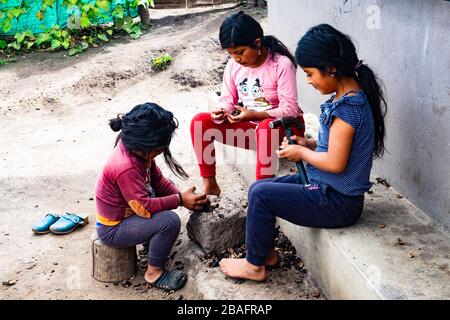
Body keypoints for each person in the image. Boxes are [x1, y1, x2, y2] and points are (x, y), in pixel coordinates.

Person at [219, 24, 387, 281]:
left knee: (263, 194)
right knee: (257, 189)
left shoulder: (349, 110)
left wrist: (302, 154)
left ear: (331, 68)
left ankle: (254, 265)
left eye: (310, 74)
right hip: (323, 186)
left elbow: (335, 163)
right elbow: (337, 149)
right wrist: (308, 145)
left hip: (337, 202)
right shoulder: (347, 98)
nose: (308, 81)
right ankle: (265, 254)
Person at [95, 102, 208, 291]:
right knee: (169, 221)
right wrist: (179, 201)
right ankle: (154, 273)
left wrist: (182, 196)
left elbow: (158, 181)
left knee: (155, 193)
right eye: (161, 147)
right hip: (113, 229)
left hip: (130, 213)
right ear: (149, 146)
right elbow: (144, 207)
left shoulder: (137, 150)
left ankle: (150, 242)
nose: (163, 150)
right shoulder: (126, 167)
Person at [190, 11, 304, 195]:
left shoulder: (281, 64)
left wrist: (256, 115)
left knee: (267, 127)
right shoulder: (234, 66)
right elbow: (228, 99)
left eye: (240, 52)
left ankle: (262, 191)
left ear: (257, 43)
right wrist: (221, 110)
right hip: (253, 129)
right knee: (199, 122)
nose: (235, 58)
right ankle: (210, 183)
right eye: (230, 53)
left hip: (286, 130)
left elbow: (290, 110)